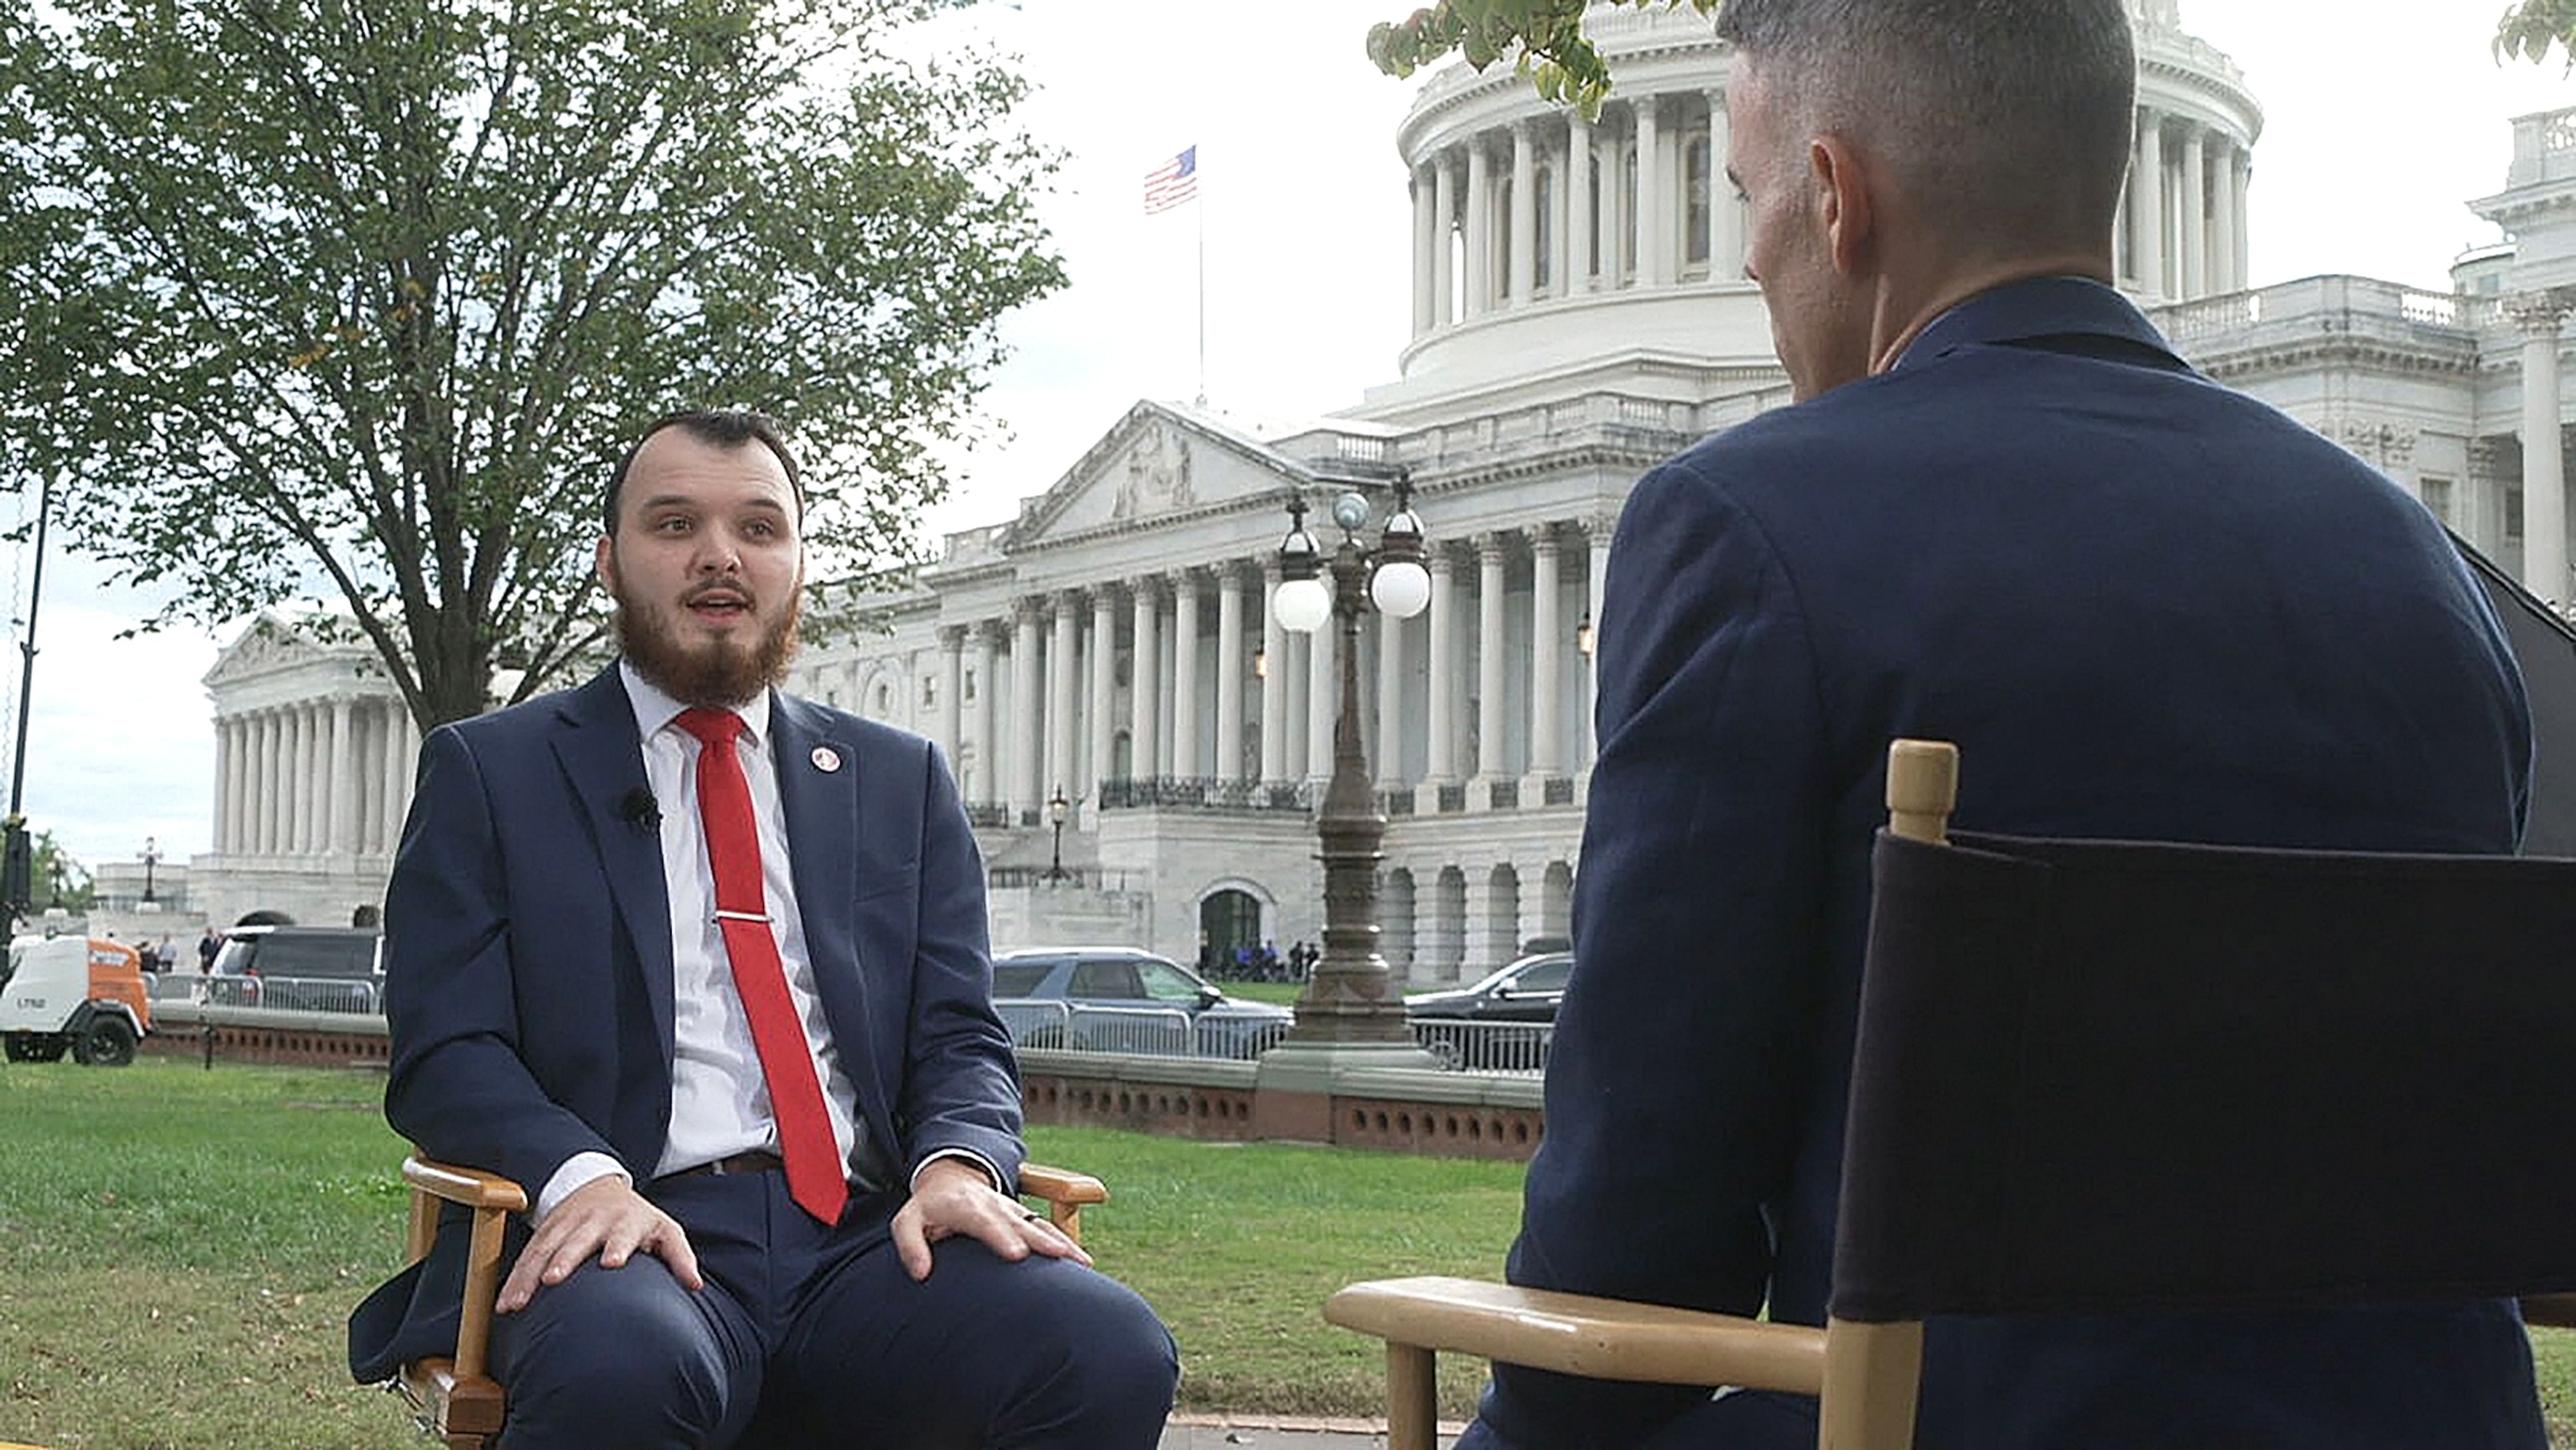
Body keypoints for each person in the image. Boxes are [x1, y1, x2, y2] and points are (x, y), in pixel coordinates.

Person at [1462, 3, 2542, 1447]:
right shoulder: (2414, 569)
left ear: (1837, 199)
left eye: (1747, 197)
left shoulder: (1752, 526)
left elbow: (1635, 1228)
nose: (1743, 256)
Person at [346, 409, 1177, 1448]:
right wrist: (582, 1173)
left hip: (868, 1240)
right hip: (630, 1229)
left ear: (796, 567)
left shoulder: (899, 780)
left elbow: (960, 1034)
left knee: (1103, 1345)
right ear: (610, 562)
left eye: (758, 527)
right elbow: (447, 1050)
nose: (719, 557)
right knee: (621, 1366)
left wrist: (961, 1161)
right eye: (674, 523)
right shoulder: (494, 771)